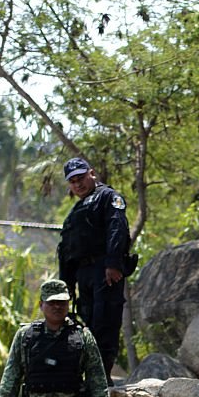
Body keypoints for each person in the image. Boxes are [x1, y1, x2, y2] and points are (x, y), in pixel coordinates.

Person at [0, 279, 110, 397]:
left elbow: (97, 379)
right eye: (51, 302)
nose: (57, 307)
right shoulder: (25, 337)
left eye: (62, 302)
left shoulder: (83, 336)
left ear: (68, 304)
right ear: (41, 304)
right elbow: (11, 377)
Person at [57, 157, 133, 381]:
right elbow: (67, 251)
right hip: (84, 274)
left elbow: (117, 228)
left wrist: (113, 263)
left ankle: (102, 376)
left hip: (104, 270)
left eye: (81, 178)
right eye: (73, 182)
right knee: (88, 321)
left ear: (92, 174)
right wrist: (66, 287)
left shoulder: (108, 197)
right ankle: (92, 375)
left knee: (105, 322)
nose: (78, 184)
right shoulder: (75, 211)